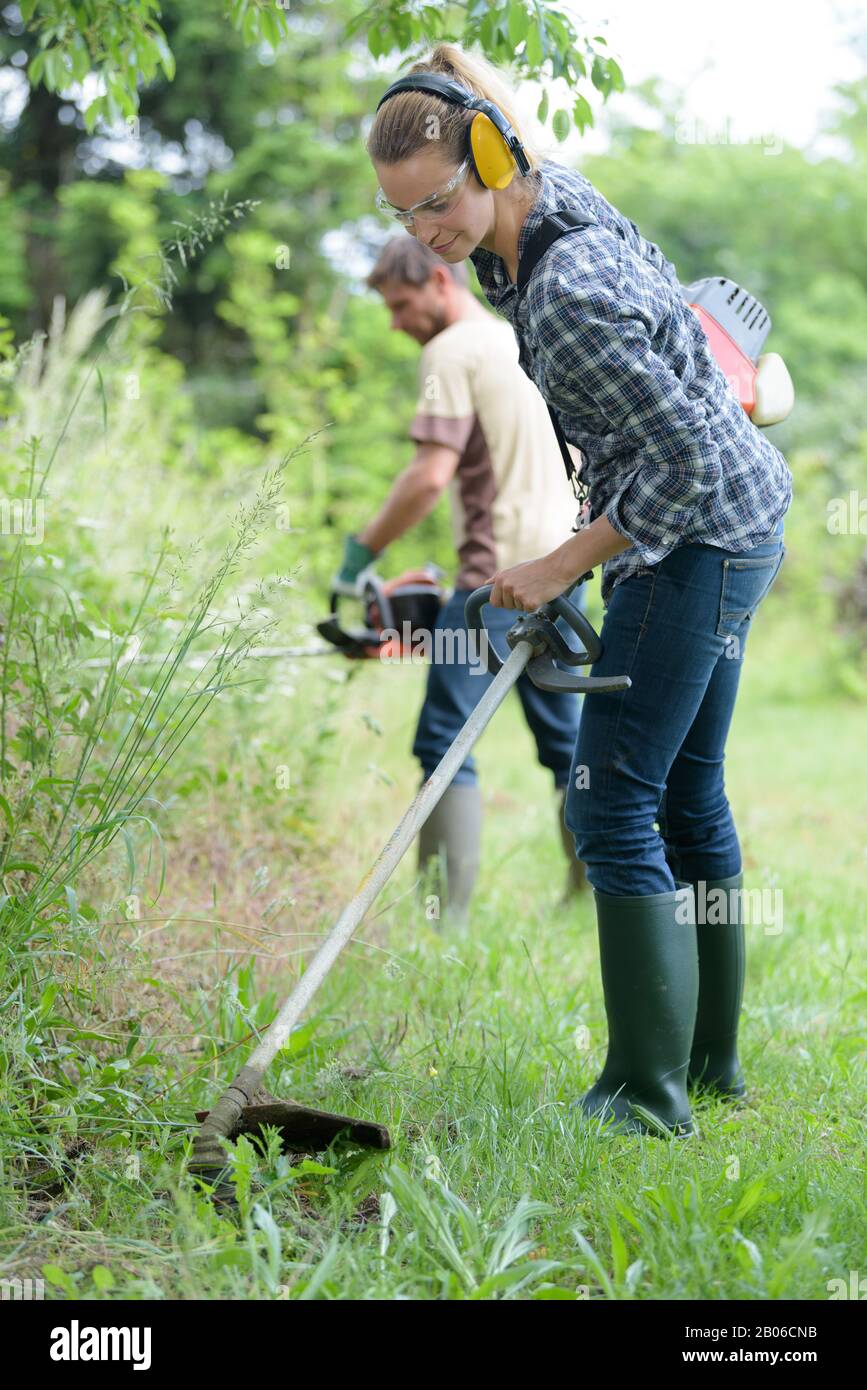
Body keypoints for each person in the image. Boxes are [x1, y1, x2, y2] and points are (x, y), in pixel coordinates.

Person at [365, 43, 792, 1137]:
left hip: (698, 537)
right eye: (406, 216)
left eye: (441, 204)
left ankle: (645, 1098)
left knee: (612, 802)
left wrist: (563, 560)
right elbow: (675, 424)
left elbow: (689, 460)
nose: (428, 235)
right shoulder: (542, 207)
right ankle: (708, 1070)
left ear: (491, 159)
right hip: (744, 521)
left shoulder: (560, 296)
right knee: (690, 798)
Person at [333, 234, 591, 926]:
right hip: (567, 570)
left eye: (401, 304)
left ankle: (440, 920)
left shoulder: (449, 352)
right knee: (567, 741)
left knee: (445, 739)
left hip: (495, 585)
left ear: (441, 286)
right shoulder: (519, 338)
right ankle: (589, 895)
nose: (396, 322)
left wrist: (360, 551)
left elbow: (427, 477)